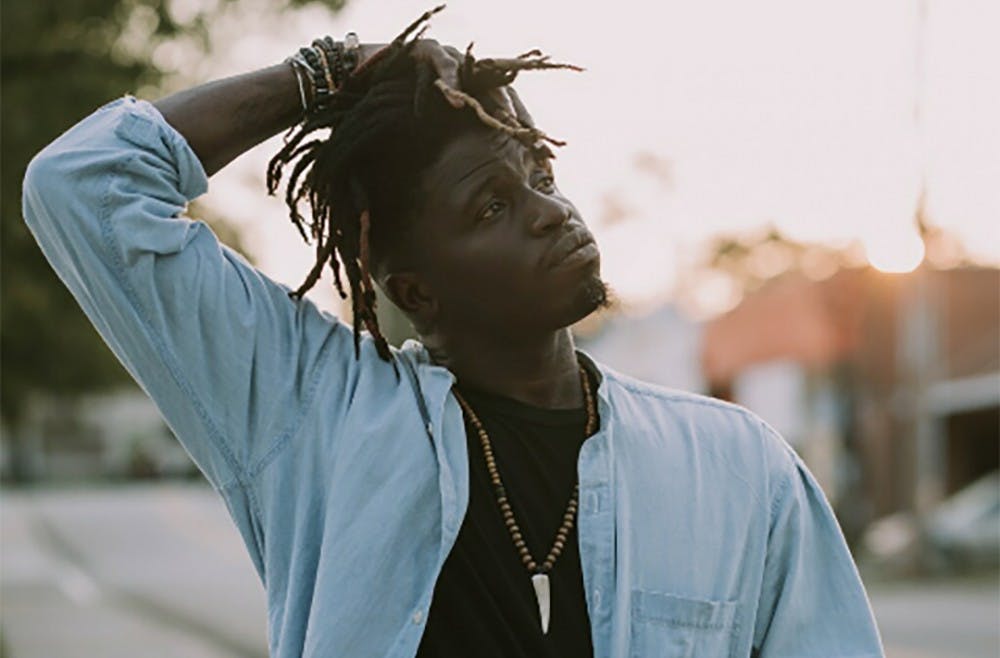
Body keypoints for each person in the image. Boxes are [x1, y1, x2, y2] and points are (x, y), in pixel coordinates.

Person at [22, 8, 884, 658]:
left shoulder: (738, 466)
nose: (550, 211)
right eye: (491, 207)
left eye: (540, 172)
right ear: (415, 291)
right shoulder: (317, 418)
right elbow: (84, 185)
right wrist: (327, 72)